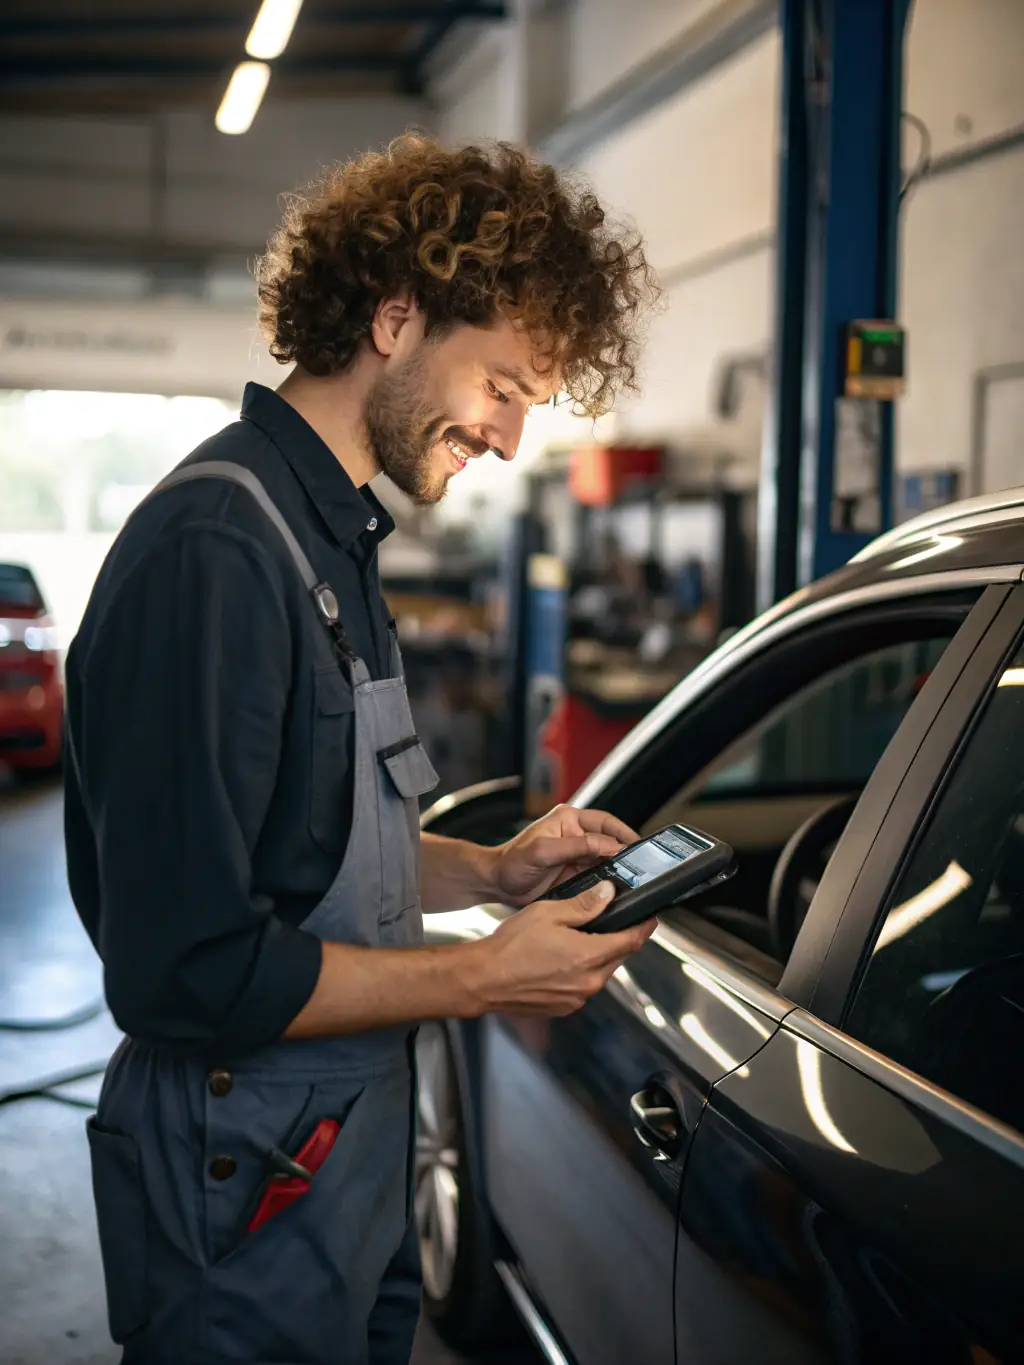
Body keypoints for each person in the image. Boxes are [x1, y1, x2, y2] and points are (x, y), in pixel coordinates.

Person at [63, 133, 658, 1365]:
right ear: (396, 317)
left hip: (343, 1148)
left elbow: (312, 845)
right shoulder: (220, 552)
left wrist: (491, 872)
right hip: (244, 1170)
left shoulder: (332, 539)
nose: (504, 438)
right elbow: (184, 969)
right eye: (499, 387)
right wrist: (481, 976)